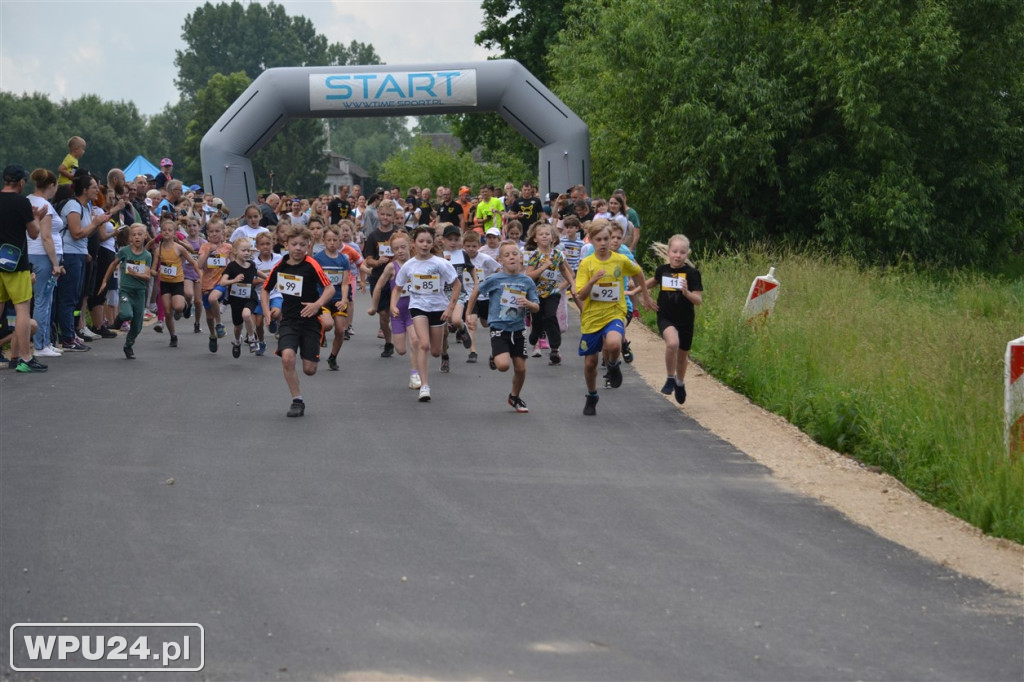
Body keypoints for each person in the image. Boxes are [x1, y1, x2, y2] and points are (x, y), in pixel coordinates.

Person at [575, 219, 655, 416]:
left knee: (613, 344)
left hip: (614, 311)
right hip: (592, 317)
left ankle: (612, 365)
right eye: (598, 239)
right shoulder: (587, 264)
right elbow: (581, 295)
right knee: (590, 363)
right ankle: (592, 395)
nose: (603, 243)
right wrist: (592, 281)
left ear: (612, 239)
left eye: (606, 239)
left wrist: (645, 295)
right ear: (591, 240)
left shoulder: (619, 260)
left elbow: (639, 272)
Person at [260, 225, 335, 418]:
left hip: (310, 321)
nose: (298, 248)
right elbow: (266, 289)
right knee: (287, 357)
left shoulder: (312, 264)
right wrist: (267, 312)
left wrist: (317, 305)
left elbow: (330, 289)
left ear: (308, 245)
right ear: (286, 245)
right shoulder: (281, 265)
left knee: (309, 370)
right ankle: (297, 400)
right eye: (294, 244)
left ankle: (317, 340)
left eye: (303, 244)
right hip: (290, 320)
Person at [466, 241, 540, 413]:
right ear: (500, 260)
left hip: (519, 328)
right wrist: (468, 313)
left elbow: (536, 306)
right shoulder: (494, 279)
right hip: (499, 327)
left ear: (521, 258)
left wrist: (528, 303)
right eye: (507, 255)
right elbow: (477, 291)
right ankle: (495, 356)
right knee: (503, 366)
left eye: (514, 254)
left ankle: (514, 397)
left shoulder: (527, 281)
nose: (511, 257)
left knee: (521, 368)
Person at [391, 226, 461, 402]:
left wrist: (450, 308)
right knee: (423, 345)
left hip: (438, 307)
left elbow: (457, 284)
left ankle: (446, 343)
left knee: (436, 351)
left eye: (428, 241)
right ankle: (424, 386)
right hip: (418, 307)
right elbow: (398, 288)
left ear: (433, 243)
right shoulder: (409, 265)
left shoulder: (440, 263)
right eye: (421, 241)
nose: (425, 244)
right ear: (414, 243)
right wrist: (393, 305)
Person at [0, 165, 47, 372]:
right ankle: (24, 358)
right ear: (20, 182)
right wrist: (37, 216)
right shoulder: (22, 202)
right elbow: (35, 233)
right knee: (22, 309)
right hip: (15, 263)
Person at [647, 235, 703, 404]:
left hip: (685, 319)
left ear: (687, 254)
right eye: (675, 251)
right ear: (669, 252)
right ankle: (670, 378)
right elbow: (649, 283)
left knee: (682, 357)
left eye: (682, 252)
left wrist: (687, 293)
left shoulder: (692, 274)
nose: (678, 255)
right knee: (672, 344)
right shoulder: (663, 270)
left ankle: (679, 382)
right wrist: (638, 293)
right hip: (666, 316)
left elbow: (698, 301)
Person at [56, 173, 109, 352]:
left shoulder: (86, 207)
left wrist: (85, 251)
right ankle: (67, 337)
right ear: (84, 190)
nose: (97, 190)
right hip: (69, 255)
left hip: (78, 254)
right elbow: (76, 233)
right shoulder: (73, 205)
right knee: (68, 297)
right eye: (94, 187)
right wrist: (96, 223)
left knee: (76, 297)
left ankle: (71, 333)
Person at [368, 230, 420, 388]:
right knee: (401, 350)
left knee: (415, 341)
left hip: (414, 310)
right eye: (396, 249)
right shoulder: (391, 267)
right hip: (397, 312)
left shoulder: (418, 263)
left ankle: (414, 375)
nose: (400, 251)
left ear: (410, 245)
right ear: (392, 250)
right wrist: (374, 307)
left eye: (403, 247)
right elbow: (378, 287)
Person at [525, 222, 578, 365]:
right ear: (535, 239)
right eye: (541, 234)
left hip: (552, 292)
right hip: (536, 293)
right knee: (537, 318)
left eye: (547, 234)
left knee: (550, 315)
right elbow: (529, 275)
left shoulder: (557, 254)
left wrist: (572, 285)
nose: (544, 236)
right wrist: (543, 267)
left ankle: (554, 348)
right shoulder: (534, 255)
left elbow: (564, 271)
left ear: (553, 238)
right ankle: (535, 333)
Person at [98, 223, 151, 359]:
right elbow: (113, 264)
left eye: (140, 234)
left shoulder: (147, 256)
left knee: (137, 326)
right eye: (133, 235)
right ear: (129, 238)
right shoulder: (124, 252)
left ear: (145, 236)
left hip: (139, 292)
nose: (137, 237)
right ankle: (119, 319)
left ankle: (128, 345)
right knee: (127, 314)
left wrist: (135, 274)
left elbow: (147, 276)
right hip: (126, 291)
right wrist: (104, 281)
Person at [27, 169, 64, 357]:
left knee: (43, 300)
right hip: (44, 256)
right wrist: (56, 263)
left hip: (32, 254)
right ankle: (40, 345)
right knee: (43, 300)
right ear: (51, 185)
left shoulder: (28, 200)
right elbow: (46, 236)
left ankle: (45, 341)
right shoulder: (44, 205)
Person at [151, 217, 199, 348]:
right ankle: (173, 335)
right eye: (164, 230)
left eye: (169, 230)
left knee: (177, 307)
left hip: (177, 282)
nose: (166, 232)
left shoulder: (179, 248)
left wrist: (200, 274)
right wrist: (157, 272)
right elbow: (152, 270)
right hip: (165, 283)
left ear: (174, 233)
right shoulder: (158, 250)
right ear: (161, 232)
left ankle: (185, 307)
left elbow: (192, 260)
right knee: (167, 312)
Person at [363, 200, 398, 356]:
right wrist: (377, 262)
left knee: (396, 311)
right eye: (382, 214)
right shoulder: (373, 236)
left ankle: (401, 334)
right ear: (378, 214)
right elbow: (368, 260)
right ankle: (389, 342)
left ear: (394, 216)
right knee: (383, 313)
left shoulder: (399, 233)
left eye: (388, 215)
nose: (385, 217)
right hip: (378, 278)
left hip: (397, 278)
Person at [314, 224, 351, 370]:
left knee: (340, 330)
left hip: (338, 299)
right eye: (328, 240)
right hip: (322, 298)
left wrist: (344, 299)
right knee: (328, 324)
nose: (331, 243)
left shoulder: (343, 259)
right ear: (324, 240)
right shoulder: (318, 258)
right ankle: (317, 337)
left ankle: (333, 357)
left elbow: (345, 283)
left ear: (340, 240)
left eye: (334, 240)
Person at [459, 229, 500, 363]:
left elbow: (498, 269)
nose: (471, 249)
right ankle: (473, 352)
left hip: (485, 296)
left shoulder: (485, 259)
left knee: (486, 323)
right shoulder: (459, 258)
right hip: (469, 296)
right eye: (468, 246)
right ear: (463, 246)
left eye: (474, 246)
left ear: (479, 246)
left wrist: (493, 283)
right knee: (471, 323)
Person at [217, 237, 259, 358]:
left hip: (250, 297)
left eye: (248, 250)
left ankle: (251, 338)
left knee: (246, 315)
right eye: (243, 250)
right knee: (238, 327)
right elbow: (222, 282)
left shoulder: (251, 265)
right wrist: (234, 280)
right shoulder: (232, 266)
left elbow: (257, 272)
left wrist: (269, 277)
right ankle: (237, 341)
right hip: (236, 300)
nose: (246, 253)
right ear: (235, 251)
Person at [197, 217, 232, 352]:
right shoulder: (204, 247)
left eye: (217, 231)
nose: (214, 234)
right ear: (207, 233)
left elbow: (234, 263)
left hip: (221, 282)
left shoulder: (228, 247)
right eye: (211, 231)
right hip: (207, 284)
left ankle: (220, 324)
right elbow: (200, 265)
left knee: (213, 298)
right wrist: (208, 253)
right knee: (209, 316)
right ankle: (212, 335)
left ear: (223, 232)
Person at [251, 231, 283, 356]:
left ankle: (275, 321)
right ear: (257, 246)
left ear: (272, 244)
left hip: (275, 293)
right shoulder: (253, 262)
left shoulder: (279, 259)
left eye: (268, 244)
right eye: (262, 244)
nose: (265, 246)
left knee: (276, 312)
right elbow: (250, 281)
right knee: (258, 323)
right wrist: (263, 279)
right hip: (259, 296)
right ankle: (262, 342)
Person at [55, 136, 86, 203]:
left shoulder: (75, 160)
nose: (84, 151)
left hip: (69, 185)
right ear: (76, 149)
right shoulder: (69, 159)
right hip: (64, 185)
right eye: (83, 149)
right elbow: (61, 169)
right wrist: (71, 176)